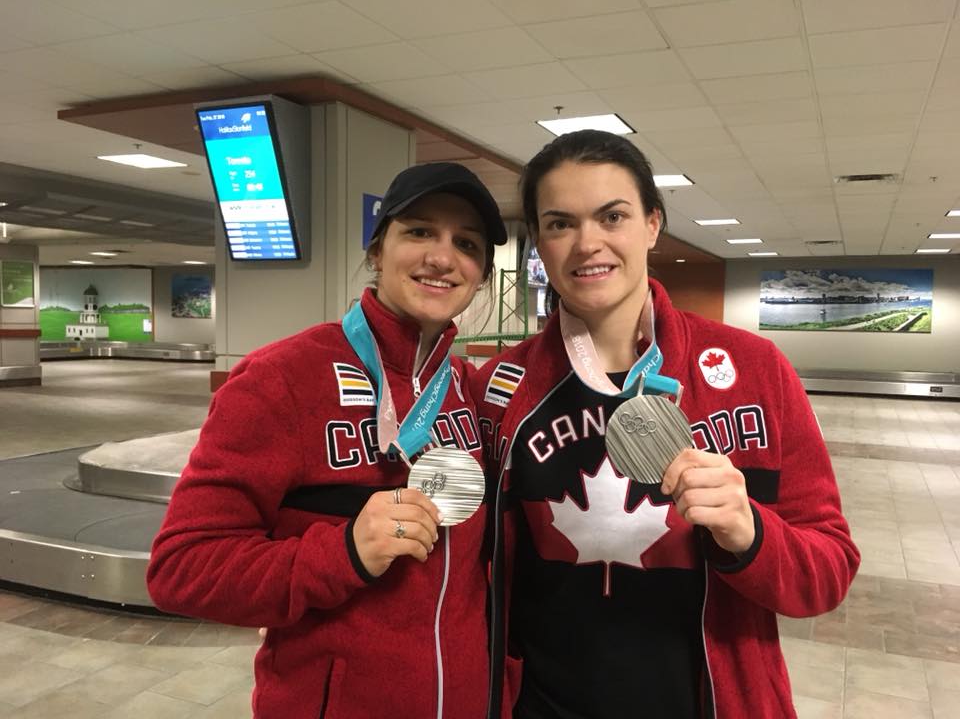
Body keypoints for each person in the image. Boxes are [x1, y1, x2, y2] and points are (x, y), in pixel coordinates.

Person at [470, 130, 859, 719]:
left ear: (653, 224)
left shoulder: (755, 370)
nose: (587, 243)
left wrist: (748, 531)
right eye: (559, 223)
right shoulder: (499, 389)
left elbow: (826, 572)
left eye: (613, 216)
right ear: (540, 244)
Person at [148, 162, 508, 719]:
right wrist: (342, 554)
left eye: (466, 243)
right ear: (376, 251)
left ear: (480, 272)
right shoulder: (282, 378)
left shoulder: (469, 390)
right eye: (418, 231)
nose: (442, 256)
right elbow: (182, 569)